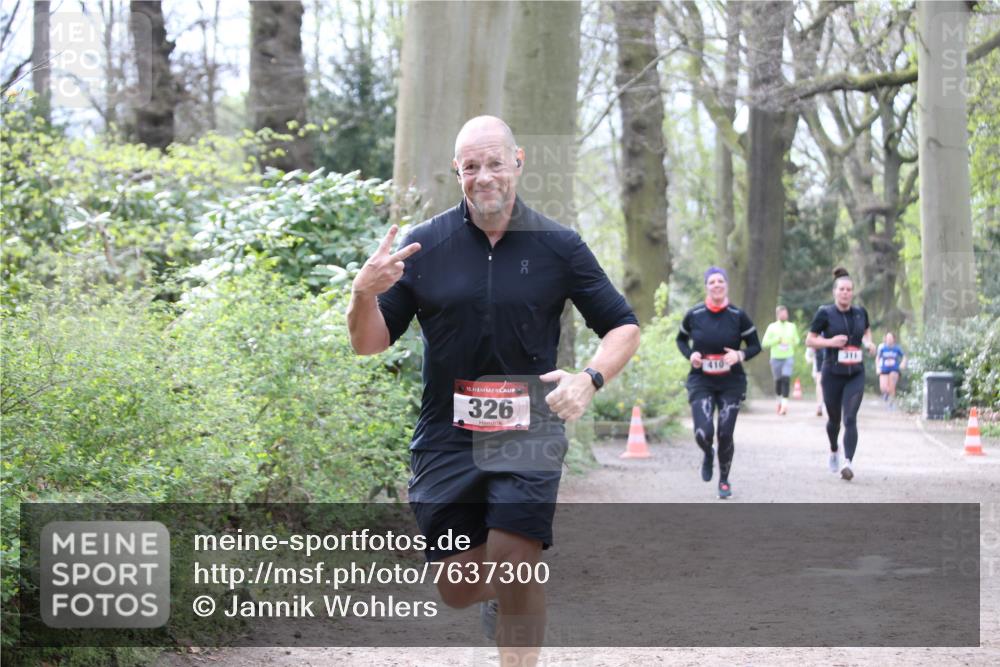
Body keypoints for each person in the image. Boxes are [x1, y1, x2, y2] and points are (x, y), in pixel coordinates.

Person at [347, 116, 640, 666]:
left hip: (529, 424)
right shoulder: (424, 246)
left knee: (516, 562)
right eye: (471, 166)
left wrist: (588, 377)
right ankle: (501, 597)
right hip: (447, 433)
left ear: (518, 162)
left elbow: (623, 326)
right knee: (457, 588)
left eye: (495, 163)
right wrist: (363, 294)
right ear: (457, 171)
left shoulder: (559, 245)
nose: (484, 177)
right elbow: (369, 343)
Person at [676, 266, 761, 499]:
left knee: (725, 433)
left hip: (731, 382)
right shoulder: (694, 315)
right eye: (711, 282)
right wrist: (690, 355)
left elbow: (755, 345)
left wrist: (740, 355)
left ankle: (723, 480)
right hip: (701, 380)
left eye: (720, 281)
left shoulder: (737, 315)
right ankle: (707, 454)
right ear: (706, 287)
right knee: (703, 433)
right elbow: (681, 340)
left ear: (726, 286)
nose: (716, 285)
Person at [805, 267, 876, 481]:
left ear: (852, 292)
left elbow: (866, 331)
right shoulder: (825, 313)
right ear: (835, 291)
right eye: (841, 289)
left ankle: (849, 463)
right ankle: (834, 449)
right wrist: (830, 342)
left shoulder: (860, 312)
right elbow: (810, 340)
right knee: (834, 420)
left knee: (850, 417)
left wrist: (869, 343)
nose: (845, 293)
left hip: (855, 373)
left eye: (849, 289)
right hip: (832, 372)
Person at [761, 305, 799, 415]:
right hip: (776, 358)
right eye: (782, 313)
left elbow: (797, 340)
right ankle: (779, 401)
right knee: (778, 381)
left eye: (786, 313)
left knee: (786, 378)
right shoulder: (772, 327)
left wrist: (792, 341)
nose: (784, 315)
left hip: (788, 356)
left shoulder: (792, 326)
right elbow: (764, 343)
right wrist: (777, 340)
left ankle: (784, 405)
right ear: (778, 315)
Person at [876, 332, 906, 406]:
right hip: (884, 369)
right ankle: (886, 393)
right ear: (885, 339)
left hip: (894, 369)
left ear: (893, 339)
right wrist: (877, 368)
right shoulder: (882, 348)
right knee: (883, 388)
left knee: (892, 385)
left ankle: (891, 402)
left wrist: (903, 363)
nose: (889, 339)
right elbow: (877, 358)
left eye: (890, 338)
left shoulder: (897, 348)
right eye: (888, 338)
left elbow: (904, 356)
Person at [804, 346, 825, 417]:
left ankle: (820, 405)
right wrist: (811, 359)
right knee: (820, 384)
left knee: (820, 384)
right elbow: (808, 354)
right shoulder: (816, 335)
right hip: (819, 363)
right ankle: (820, 405)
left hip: (826, 363)